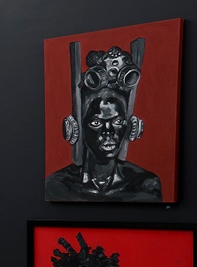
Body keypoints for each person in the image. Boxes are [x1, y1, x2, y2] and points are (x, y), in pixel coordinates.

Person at [46, 41, 161, 201]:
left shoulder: (146, 185)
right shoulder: (58, 187)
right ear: (75, 127)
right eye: (96, 123)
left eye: (117, 122)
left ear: (131, 126)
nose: (109, 131)